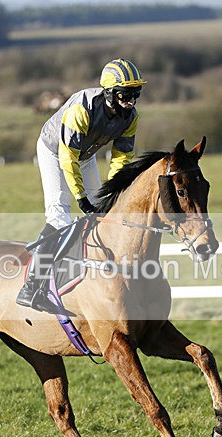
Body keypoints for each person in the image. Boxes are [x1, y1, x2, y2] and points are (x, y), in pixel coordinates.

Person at [16, 58, 147, 312]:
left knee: (102, 212)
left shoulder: (131, 116)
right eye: (125, 94)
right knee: (59, 217)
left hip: (85, 155)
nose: (131, 100)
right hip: (56, 150)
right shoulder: (81, 110)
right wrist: (81, 197)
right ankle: (31, 285)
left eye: (136, 93)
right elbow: (68, 158)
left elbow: (122, 157)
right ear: (109, 92)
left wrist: (114, 190)